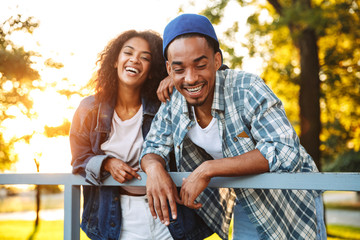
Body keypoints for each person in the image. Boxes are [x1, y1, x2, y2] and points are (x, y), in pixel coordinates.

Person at [140, 14, 327, 240]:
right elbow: (152, 147)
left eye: (200, 65)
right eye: (179, 70)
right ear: (169, 70)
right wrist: (154, 169)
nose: (190, 78)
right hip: (246, 199)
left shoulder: (247, 88)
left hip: (290, 197)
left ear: (217, 61)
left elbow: (284, 150)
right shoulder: (175, 102)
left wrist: (210, 168)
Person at [70, 30, 213, 240]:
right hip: (117, 216)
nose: (135, 59)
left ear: (152, 69)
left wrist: (176, 76)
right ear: (115, 61)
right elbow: (79, 160)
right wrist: (107, 163)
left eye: (145, 57)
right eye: (128, 53)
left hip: (169, 213)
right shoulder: (89, 108)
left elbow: (217, 73)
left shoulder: (164, 103)